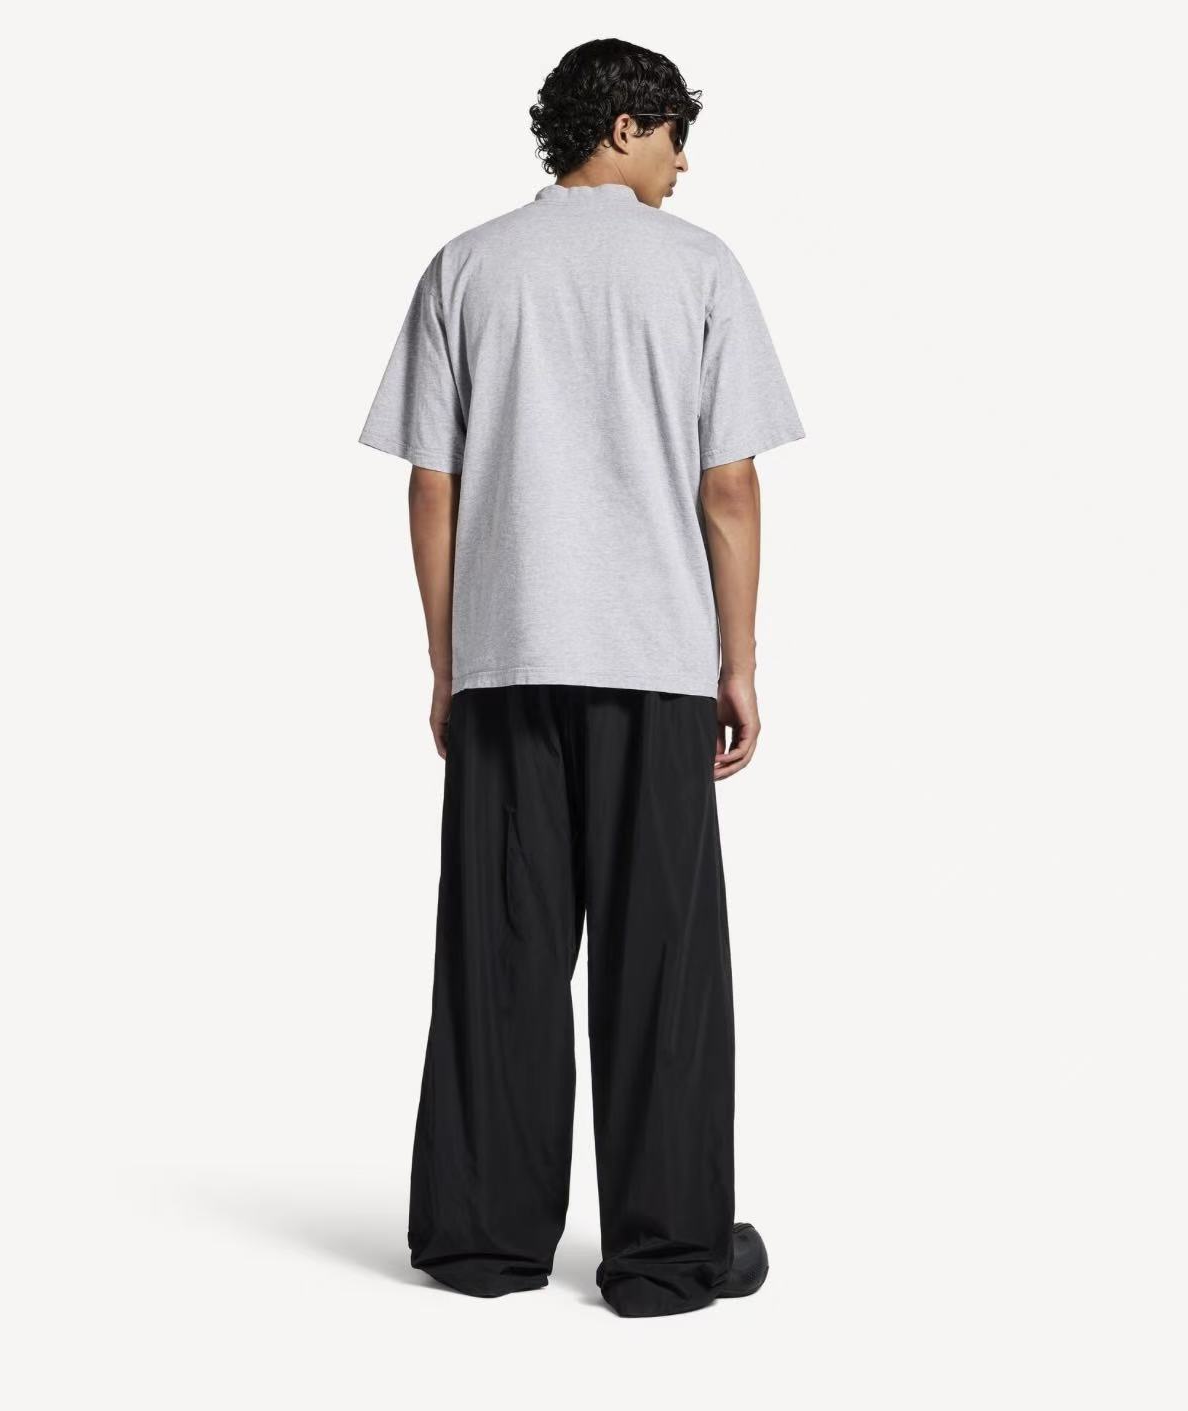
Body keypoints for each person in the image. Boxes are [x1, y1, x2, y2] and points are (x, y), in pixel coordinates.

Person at [356, 37, 805, 1318]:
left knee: (497, 952)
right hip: (655, 663)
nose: (682, 166)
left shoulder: (468, 265)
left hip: (508, 660)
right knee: (662, 963)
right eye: (674, 138)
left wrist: (450, 663)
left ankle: (481, 1241)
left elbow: (431, 488)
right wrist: (739, 664)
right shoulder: (698, 268)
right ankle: (668, 1256)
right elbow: (730, 487)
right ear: (625, 126)